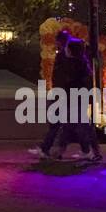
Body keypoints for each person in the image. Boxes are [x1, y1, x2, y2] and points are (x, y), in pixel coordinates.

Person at [50, 38, 103, 163]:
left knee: (76, 126)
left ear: (71, 50)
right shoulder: (82, 64)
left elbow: (68, 82)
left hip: (74, 98)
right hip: (79, 98)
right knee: (79, 125)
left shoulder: (73, 65)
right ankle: (92, 151)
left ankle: (87, 152)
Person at [30, 28, 72, 160]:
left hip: (62, 93)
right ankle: (53, 149)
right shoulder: (67, 56)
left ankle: (49, 148)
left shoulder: (63, 56)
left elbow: (60, 76)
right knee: (62, 123)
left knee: (58, 123)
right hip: (64, 93)